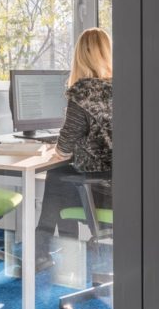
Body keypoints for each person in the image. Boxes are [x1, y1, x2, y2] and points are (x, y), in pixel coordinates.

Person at [36, 28, 113, 266]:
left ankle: (43, 252)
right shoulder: (123, 87)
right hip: (123, 190)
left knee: (56, 174)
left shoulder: (82, 93)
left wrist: (54, 151)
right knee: (62, 176)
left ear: (80, 56)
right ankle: (60, 251)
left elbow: (64, 148)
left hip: (99, 191)